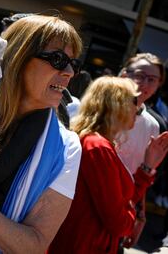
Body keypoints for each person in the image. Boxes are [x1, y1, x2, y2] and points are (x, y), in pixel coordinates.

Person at [0, 14, 83, 253]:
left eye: (73, 64)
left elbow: (35, 245)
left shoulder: (67, 149)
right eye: (58, 59)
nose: (69, 72)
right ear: (18, 58)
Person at [49, 76, 168, 254]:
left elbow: (119, 204)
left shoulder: (98, 143)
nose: (138, 108)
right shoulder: (97, 147)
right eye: (134, 100)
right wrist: (132, 218)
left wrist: (147, 166)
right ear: (115, 104)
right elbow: (118, 222)